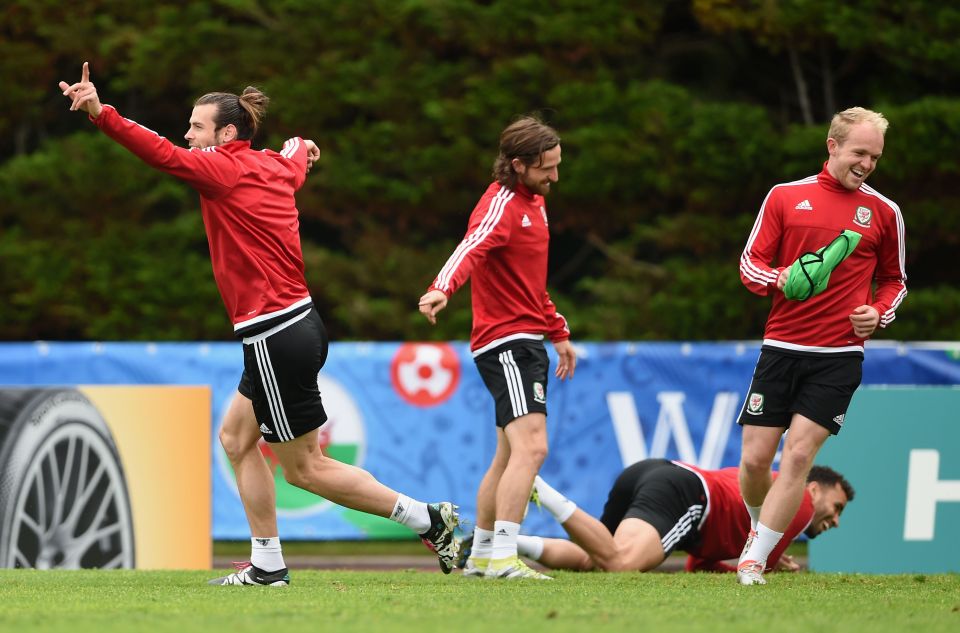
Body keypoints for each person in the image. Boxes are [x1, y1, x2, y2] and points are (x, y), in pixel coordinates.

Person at [59, 62, 460, 585]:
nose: (187, 134)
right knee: (235, 439)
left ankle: (427, 519)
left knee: (305, 469)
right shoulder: (273, 166)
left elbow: (158, 151)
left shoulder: (221, 169)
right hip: (296, 326)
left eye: (196, 127)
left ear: (227, 134)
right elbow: (294, 155)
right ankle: (268, 563)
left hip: (275, 333)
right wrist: (303, 143)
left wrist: (100, 112)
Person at [735, 107, 907, 585]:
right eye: (859, 153)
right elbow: (750, 266)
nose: (867, 164)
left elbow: (895, 281)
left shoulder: (884, 212)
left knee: (797, 456)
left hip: (839, 356)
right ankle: (759, 527)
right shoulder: (786, 197)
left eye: (875, 156)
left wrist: (880, 312)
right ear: (832, 146)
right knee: (753, 459)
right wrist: (780, 277)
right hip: (782, 347)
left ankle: (754, 561)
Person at [418, 116, 576, 580]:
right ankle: (506, 559)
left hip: (527, 339)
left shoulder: (535, 204)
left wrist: (559, 331)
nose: (555, 177)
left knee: (508, 455)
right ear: (518, 164)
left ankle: (485, 555)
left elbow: (530, 284)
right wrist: (441, 287)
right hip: (506, 344)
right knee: (533, 449)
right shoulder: (502, 203)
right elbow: (470, 247)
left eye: (557, 165)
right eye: (547, 168)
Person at [481, 460, 852, 574]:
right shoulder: (799, 499)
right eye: (836, 508)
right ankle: (541, 489)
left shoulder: (765, 518)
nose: (834, 520)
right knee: (622, 565)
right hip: (686, 493)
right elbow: (754, 568)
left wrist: (765, 558)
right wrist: (773, 564)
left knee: (594, 558)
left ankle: (501, 544)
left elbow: (697, 563)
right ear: (815, 489)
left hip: (657, 474)